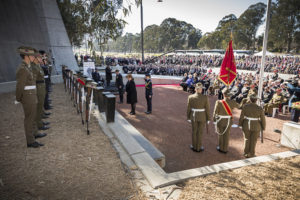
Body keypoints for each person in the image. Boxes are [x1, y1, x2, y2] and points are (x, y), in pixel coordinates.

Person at [15, 46, 46, 148]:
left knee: (32, 117)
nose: (34, 57)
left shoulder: (27, 67)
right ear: (26, 56)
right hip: (28, 97)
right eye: (32, 55)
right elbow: (20, 86)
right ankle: (30, 140)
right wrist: (18, 98)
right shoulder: (23, 69)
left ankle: (33, 134)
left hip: (32, 95)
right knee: (29, 119)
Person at [213, 88, 240, 153]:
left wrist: (214, 120)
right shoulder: (232, 102)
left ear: (223, 94)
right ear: (229, 95)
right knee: (226, 135)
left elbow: (215, 112)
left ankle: (221, 147)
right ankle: (225, 149)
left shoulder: (218, 102)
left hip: (220, 120)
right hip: (228, 121)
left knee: (221, 135)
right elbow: (239, 106)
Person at [187, 83, 210, 152]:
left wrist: (188, 117)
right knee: (200, 132)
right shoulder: (205, 97)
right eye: (201, 89)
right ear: (200, 90)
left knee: (194, 132)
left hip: (194, 116)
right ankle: (198, 147)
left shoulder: (190, 97)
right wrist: (208, 118)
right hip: (202, 116)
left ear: (195, 89)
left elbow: (188, 108)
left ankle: (194, 146)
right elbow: (207, 109)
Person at [31, 51, 50, 131]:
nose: (41, 58)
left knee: (40, 106)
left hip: (41, 87)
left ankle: (40, 122)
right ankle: (39, 124)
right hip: (38, 88)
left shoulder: (38, 66)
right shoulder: (34, 67)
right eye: (39, 57)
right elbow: (33, 80)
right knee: (38, 107)